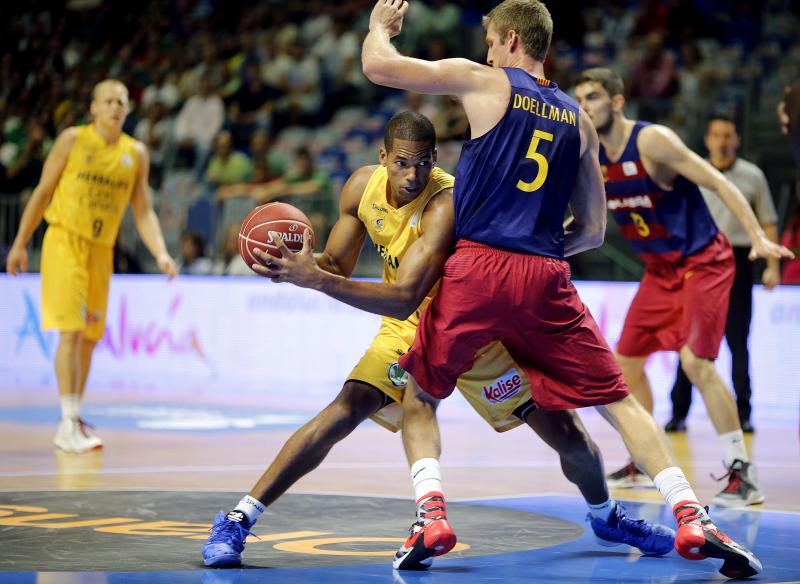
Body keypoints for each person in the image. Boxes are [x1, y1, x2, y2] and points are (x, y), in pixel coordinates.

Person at [256, 0, 767, 579]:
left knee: (420, 396)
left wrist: (379, 28)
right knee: (617, 402)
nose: (488, 51)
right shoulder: (578, 117)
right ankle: (688, 511)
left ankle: (431, 516)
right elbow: (594, 230)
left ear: (509, 40)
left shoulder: (483, 82)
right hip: (546, 273)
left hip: (475, 270)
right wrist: (539, 250)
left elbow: (380, 67)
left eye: (491, 41)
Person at [202, 112, 674, 571]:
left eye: (424, 162)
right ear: (382, 155)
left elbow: (403, 296)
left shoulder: (444, 202)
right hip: (408, 329)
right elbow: (337, 265)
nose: (413, 174)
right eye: (403, 162)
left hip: (471, 328)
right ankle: (240, 518)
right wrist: (298, 267)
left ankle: (606, 515)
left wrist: (317, 282)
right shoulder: (360, 188)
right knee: (343, 411)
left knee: (569, 438)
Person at [574, 68, 792, 507]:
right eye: (578, 98)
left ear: (617, 103)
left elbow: (719, 181)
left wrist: (759, 237)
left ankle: (741, 473)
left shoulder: (653, 141)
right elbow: (584, 221)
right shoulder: (591, 154)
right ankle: (644, 455)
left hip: (703, 262)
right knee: (624, 366)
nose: (584, 106)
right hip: (659, 271)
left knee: (697, 364)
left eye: (593, 97)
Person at [5, 79, 177, 453]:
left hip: (102, 251)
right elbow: (43, 191)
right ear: (93, 108)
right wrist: (20, 242)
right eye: (108, 101)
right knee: (70, 331)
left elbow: (143, 209)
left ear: (128, 110)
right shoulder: (72, 140)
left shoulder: (136, 153)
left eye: (121, 101)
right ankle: (66, 422)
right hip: (65, 240)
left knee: (88, 337)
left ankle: (74, 418)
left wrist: (161, 252)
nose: (115, 107)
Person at [666, 115, 780, 435]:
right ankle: (678, 413)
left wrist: (772, 266)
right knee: (687, 340)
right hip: (697, 261)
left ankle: (743, 413)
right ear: (707, 139)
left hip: (739, 261)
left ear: (737, 140)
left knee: (738, 341)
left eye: (728, 135)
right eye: (716, 135)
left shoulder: (752, 176)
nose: (722, 141)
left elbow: (768, 220)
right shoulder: (692, 173)